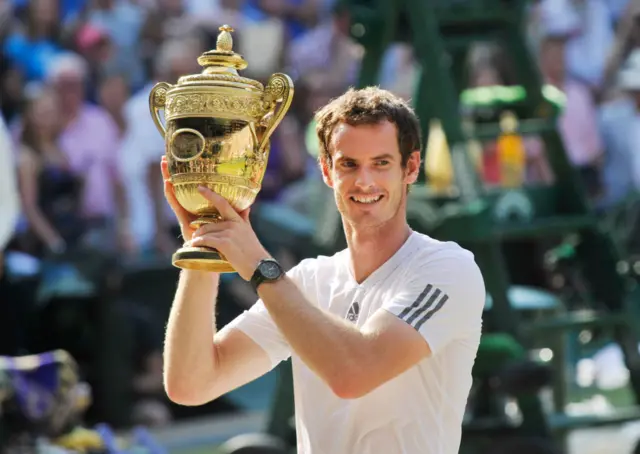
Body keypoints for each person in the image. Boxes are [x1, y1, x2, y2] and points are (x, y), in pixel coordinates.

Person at [161, 87, 486, 454]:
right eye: (349, 164)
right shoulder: (308, 281)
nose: (365, 181)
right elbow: (191, 383)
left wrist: (259, 266)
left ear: (410, 168)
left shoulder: (447, 269)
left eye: (381, 163)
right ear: (327, 171)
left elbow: (354, 373)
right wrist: (204, 250)